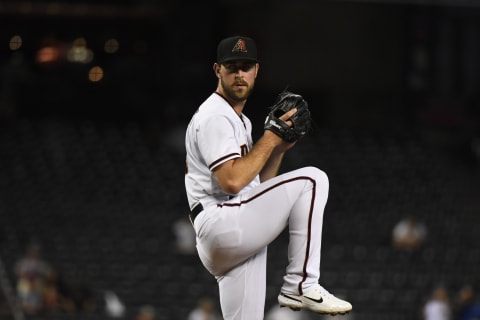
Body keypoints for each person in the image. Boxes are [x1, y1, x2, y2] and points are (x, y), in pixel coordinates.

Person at [184, 35, 352, 320]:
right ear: (217, 70)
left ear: (256, 71)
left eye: (246, 67)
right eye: (232, 66)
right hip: (220, 221)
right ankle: (300, 284)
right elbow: (232, 182)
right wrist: (270, 137)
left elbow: (252, 189)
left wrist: (278, 148)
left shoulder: (240, 120)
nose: (239, 74)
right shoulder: (216, 115)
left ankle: (299, 285)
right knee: (312, 180)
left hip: (232, 228)